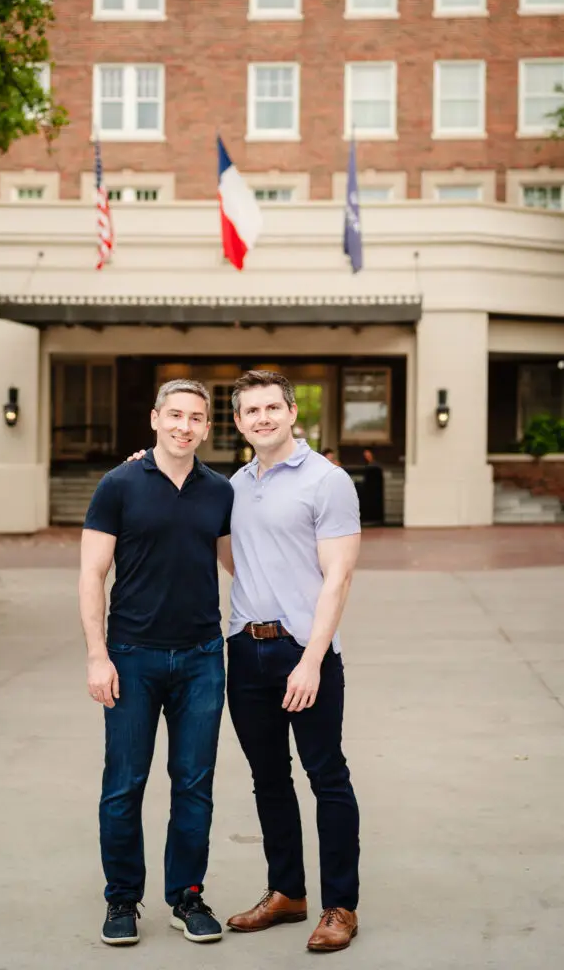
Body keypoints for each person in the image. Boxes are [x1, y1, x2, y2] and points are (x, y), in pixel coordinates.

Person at [79, 379, 233, 947]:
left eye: (196, 417)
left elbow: (239, 564)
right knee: (124, 783)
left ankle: (186, 896)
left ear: (207, 427)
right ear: (154, 418)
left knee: (194, 783)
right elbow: (92, 573)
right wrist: (98, 656)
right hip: (131, 657)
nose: (183, 426)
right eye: (174, 415)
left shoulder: (220, 491)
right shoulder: (118, 485)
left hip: (201, 658)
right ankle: (122, 898)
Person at [225, 370, 362, 953]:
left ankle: (340, 906)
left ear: (291, 412)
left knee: (326, 777)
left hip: (304, 653)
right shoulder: (233, 484)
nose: (262, 418)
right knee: (267, 779)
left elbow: (339, 576)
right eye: (250, 410)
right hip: (244, 650)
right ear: (237, 422)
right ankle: (287, 892)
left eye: (272, 407)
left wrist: (309, 659)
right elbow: (236, 558)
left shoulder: (327, 480)